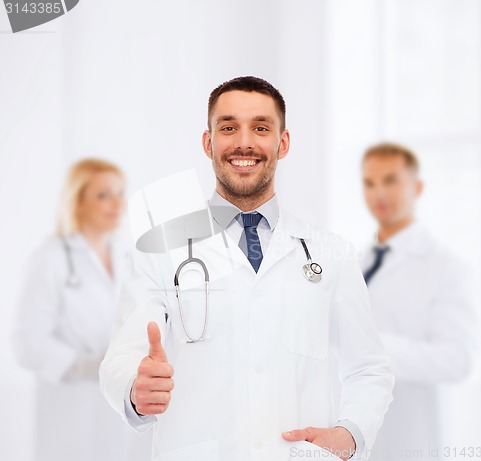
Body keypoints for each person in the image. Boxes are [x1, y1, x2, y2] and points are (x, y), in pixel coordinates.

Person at [99, 76, 394, 461]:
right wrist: (134, 390)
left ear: (282, 143)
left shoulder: (330, 252)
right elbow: (120, 360)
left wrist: (350, 434)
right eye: (228, 128)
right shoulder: (158, 250)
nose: (244, 143)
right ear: (208, 143)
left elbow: (370, 368)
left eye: (260, 128)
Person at [13, 158, 151, 461]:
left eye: (119, 193)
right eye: (103, 195)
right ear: (77, 203)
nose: (117, 203)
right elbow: (26, 343)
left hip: (119, 404)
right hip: (71, 406)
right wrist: (83, 365)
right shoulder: (48, 256)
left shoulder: (127, 255)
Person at [359, 143, 477, 461]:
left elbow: (457, 360)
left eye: (391, 180)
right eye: (369, 183)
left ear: (418, 187)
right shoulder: (357, 262)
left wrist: (371, 348)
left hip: (411, 440)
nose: (379, 193)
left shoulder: (446, 267)